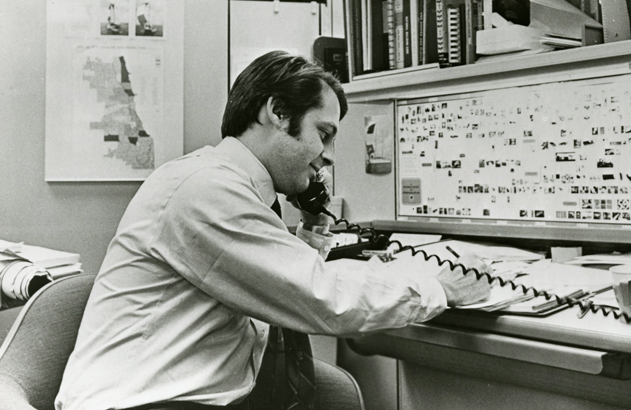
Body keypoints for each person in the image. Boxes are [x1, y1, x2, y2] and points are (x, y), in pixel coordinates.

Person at [55, 50, 490, 410]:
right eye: (324, 134)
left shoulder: (225, 183)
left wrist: (309, 237)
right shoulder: (206, 190)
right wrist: (439, 286)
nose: (328, 156)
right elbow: (320, 298)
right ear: (278, 112)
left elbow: (268, 279)